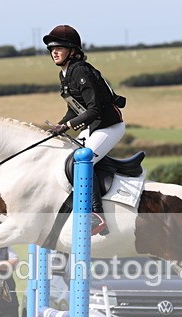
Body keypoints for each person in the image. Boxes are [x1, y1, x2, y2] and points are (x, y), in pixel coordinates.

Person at [43, 24, 126, 236]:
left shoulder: (80, 70)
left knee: (82, 160)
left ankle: (97, 216)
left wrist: (68, 126)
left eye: (59, 47)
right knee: (64, 159)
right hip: (93, 127)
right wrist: (59, 127)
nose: (54, 51)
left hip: (109, 126)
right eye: (51, 48)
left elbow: (95, 109)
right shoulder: (66, 74)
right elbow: (74, 109)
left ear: (72, 50)